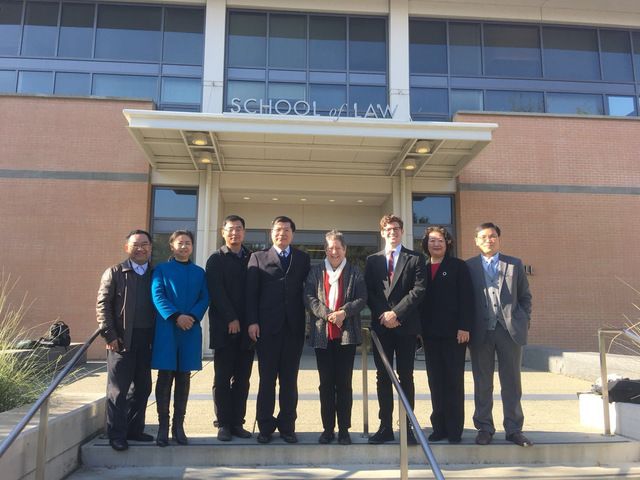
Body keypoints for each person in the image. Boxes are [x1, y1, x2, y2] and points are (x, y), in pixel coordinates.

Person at [466, 222, 533, 447]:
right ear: (476, 241)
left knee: (511, 382)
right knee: (482, 382)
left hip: (509, 331)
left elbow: (525, 296)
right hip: (481, 331)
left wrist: (524, 320)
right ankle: (484, 427)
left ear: (498, 239)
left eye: (492, 236)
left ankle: (514, 429)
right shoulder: (469, 266)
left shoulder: (514, 263)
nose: (489, 240)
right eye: (483, 237)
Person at [247, 216, 311, 444]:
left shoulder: (302, 258)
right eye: (278, 229)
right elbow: (251, 293)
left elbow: (309, 291)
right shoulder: (258, 257)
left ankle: (287, 426)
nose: (281, 233)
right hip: (266, 329)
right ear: (271, 232)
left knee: (289, 381)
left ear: (292, 234)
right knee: (266, 380)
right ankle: (264, 427)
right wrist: (252, 322)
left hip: (293, 328)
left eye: (286, 230)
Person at [364, 214, 426, 444]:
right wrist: (385, 315)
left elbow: (418, 290)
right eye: (388, 229)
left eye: (396, 228)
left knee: (406, 376)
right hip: (382, 328)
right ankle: (385, 427)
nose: (392, 232)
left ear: (402, 231)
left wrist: (396, 314)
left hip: (405, 327)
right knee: (382, 377)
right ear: (382, 233)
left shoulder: (415, 258)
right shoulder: (372, 260)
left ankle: (408, 427)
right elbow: (369, 291)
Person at [305, 230, 367, 445]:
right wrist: (328, 314)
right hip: (322, 336)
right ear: (325, 250)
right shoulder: (316, 271)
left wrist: (344, 313)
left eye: (338, 248)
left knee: (344, 384)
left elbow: (362, 298)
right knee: (326, 385)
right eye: (330, 248)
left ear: (345, 249)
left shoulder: (354, 271)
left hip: (346, 336)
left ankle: (343, 430)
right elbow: (309, 297)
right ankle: (328, 429)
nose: (334, 252)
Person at [96, 230, 155, 451]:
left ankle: (134, 430)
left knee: (143, 388)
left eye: (144, 244)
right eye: (135, 244)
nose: (140, 248)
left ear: (150, 247)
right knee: (118, 390)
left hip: (147, 339)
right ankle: (117, 434)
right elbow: (102, 306)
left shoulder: (156, 273)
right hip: (121, 339)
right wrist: (109, 335)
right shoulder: (114, 272)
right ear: (127, 248)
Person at [151, 230, 209, 447]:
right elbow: (157, 295)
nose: (184, 246)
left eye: (188, 243)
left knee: (184, 378)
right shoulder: (161, 270)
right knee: (165, 376)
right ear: (172, 246)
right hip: (168, 328)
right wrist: (176, 316)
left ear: (192, 247)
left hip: (189, 330)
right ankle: (162, 427)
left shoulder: (199, 272)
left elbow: (205, 297)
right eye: (180, 243)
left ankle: (178, 426)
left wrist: (191, 316)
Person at [419, 226, 473, 444]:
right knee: (435, 381)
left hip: (454, 335)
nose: (436, 244)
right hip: (430, 335)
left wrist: (464, 326)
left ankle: (454, 430)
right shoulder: (421, 268)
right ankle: (439, 427)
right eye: (432, 240)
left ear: (447, 243)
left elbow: (467, 298)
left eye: (440, 240)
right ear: (426, 244)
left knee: (453, 381)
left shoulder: (458, 266)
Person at [205, 215, 254, 441]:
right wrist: (231, 318)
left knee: (243, 380)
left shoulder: (252, 258)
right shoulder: (216, 259)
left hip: (247, 331)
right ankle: (223, 423)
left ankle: (237, 423)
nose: (235, 233)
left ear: (244, 232)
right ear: (223, 232)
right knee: (223, 378)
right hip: (224, 329)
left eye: (239, 229)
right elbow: (216, 292)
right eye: (231, 229)